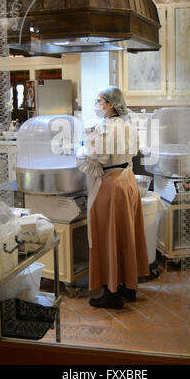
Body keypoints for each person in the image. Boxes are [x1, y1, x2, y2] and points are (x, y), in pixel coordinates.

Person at [76, 86, 149, 309]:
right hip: (128, 181)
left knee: (107, 237)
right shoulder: (129, 126)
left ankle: (112, 292)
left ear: (110, 104)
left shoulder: (101, 128)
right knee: (128, 234)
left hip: (109, 186)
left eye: (99, 100)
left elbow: (91, 156)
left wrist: (80, 148)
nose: (97, 104)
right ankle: (129, 286)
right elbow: (135, 151)